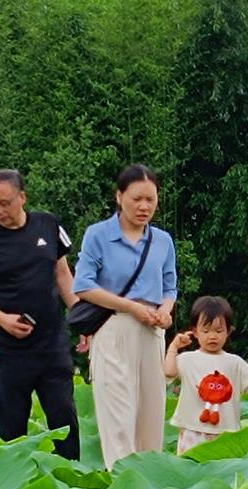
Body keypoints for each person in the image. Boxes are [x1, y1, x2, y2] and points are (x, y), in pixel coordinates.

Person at [0, 169, 81, 451]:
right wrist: (3, 320)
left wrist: (82, 318)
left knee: (64, 416)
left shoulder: (48, 224)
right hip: (9, 348)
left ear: (22, 197)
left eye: (5, 203)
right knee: (11, 426)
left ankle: (72, 481)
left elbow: (63, 274)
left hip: (52, 342)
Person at [73, 165, 178, 466]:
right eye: (136, 199)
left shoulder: (162, 240)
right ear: (119, 197)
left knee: (151, 415)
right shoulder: (98, 235)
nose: (144, 206)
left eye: (151, 199)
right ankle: (121, 482)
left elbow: (170, 285)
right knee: (118, 417)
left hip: (152, 333)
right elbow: (83, 285)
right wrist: (130, 307)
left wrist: (166, 311)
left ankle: (148, 485)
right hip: (113, 326)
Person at [166, 296, 248, 454]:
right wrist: (174, 347)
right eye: (206, 331)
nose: (212, 336)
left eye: (219, 330)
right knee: (190, 473)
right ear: (195, 332)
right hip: (192, 431)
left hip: (225, 435)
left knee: (223, 475)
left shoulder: (234, 363)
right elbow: (168, 371)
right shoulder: (187, 359)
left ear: (228, 331)